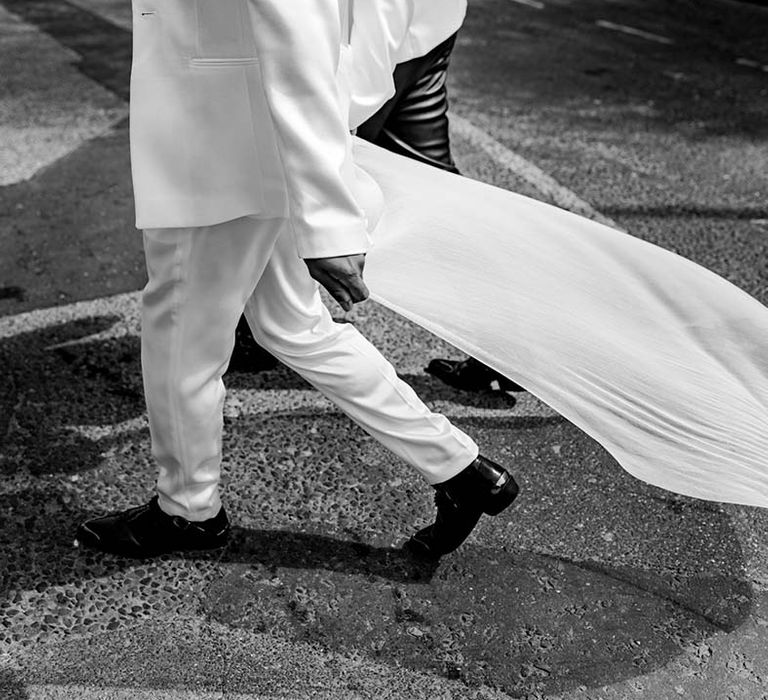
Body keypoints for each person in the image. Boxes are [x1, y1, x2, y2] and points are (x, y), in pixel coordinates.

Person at [75, 0, 519, 560]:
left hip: (223, 144)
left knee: (183, 329)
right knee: (292, 325)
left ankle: (187, 510)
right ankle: (461, 469)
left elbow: (300, 34)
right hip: (246, 136)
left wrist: (327, 220)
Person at [228, 0, 523, 395]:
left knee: (297, 174)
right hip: (427, 27)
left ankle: (255, 322)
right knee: (438, 194)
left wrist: (328, 124)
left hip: (378, 38)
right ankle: (505, 344)